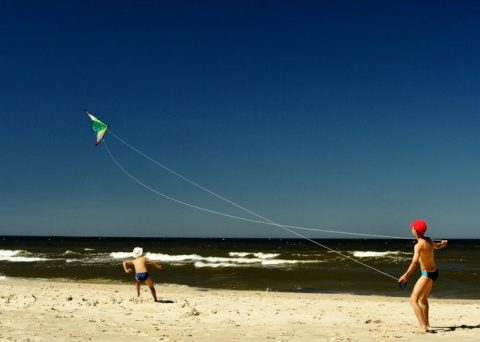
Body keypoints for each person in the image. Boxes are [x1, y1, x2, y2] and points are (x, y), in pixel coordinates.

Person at [398, 220, 448, 333]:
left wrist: (406, 275)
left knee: (413, 300)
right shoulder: (429, 240)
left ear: (415, 230)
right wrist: (443, 244)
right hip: (434, 273)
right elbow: (438, 246)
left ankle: (423, 326)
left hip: (427, 274)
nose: (412, 229)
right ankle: (426, 323)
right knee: (423, 298)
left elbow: (414, 263)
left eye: (412, 227)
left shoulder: (418, 246)